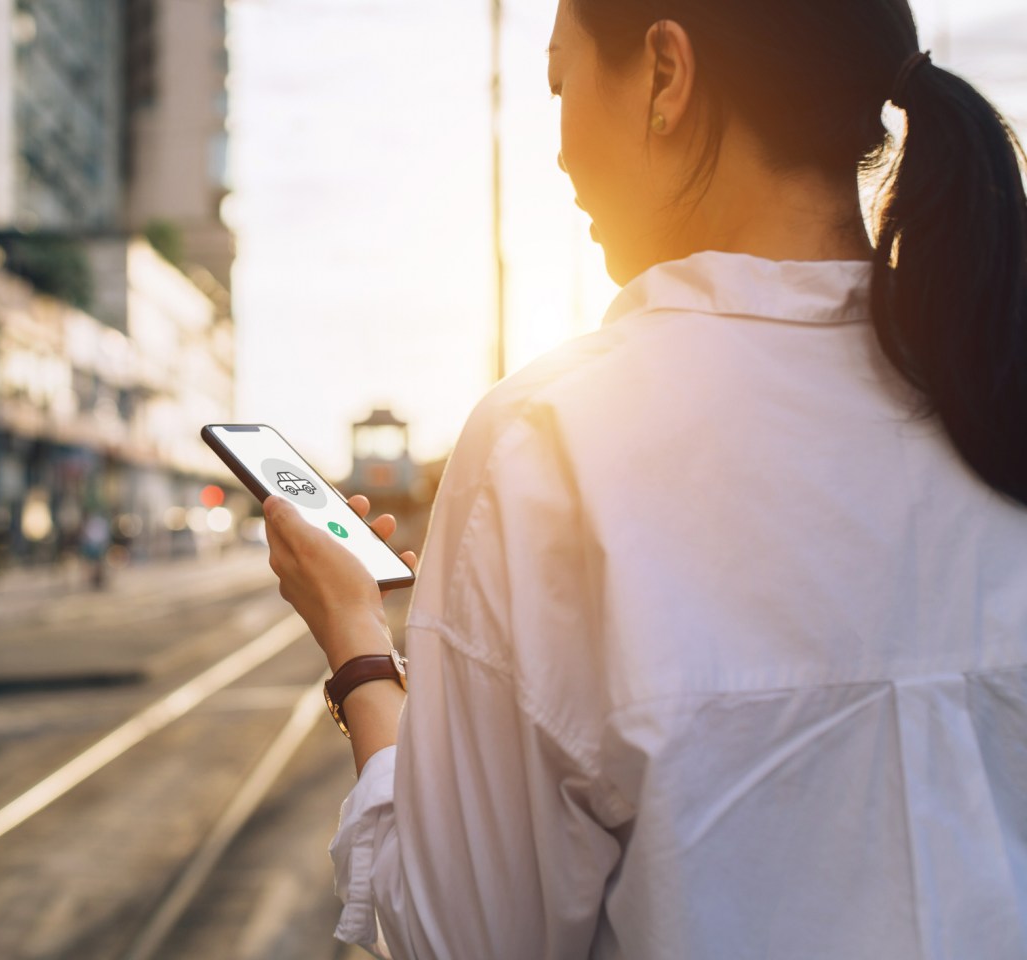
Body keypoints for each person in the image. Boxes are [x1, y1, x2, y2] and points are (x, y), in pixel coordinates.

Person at [262, 1, 1027, 957]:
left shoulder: (546, 446)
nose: (559, 153)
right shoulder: (995, 386)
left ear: (666, 75)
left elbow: (461, 938)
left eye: (560, 85)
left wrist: (358, 645)